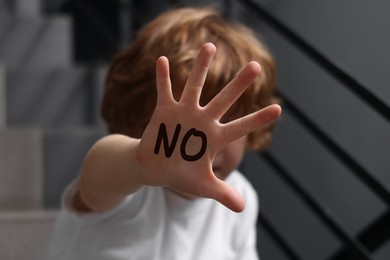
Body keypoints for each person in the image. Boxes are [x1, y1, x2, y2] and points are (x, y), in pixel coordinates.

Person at [45, 6, 281, 260]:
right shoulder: (128, 184)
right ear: (142, 115)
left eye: (230, 120)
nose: (205, 144)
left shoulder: (239, 195)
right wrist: (138, 163)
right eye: (188, 128)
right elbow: (97, 179)